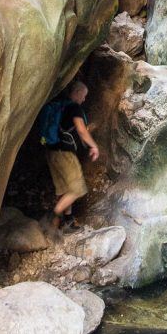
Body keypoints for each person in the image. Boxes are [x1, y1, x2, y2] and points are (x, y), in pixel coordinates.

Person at [39, 79, 99, 236]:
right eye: (84, 96)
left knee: (64, 190)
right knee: (77, 189)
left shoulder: (60, 106)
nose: (84, 99)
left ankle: (68, 221)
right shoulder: (74, 108)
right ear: (77, 93)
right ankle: (52, 218)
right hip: (65, 154)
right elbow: (81, 129)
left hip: (51, 153)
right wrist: (93, 146)